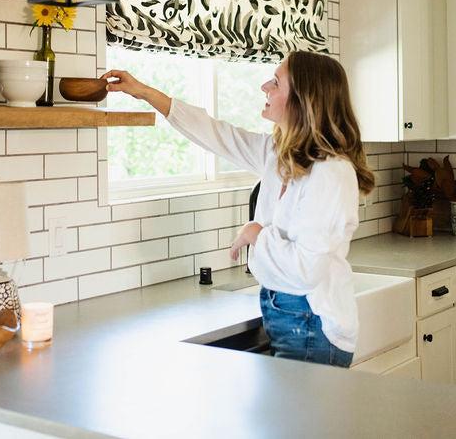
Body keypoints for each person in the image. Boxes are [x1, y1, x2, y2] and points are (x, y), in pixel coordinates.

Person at [102, 51, 375, 367]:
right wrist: (144, 91)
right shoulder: (278, 154)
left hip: (312, 323)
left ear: (304, 98)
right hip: (287, 315)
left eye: (275, 82)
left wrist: (256, 233)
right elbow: (214, 133)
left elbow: (307, 270)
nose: (264, 87)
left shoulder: (332, 172)